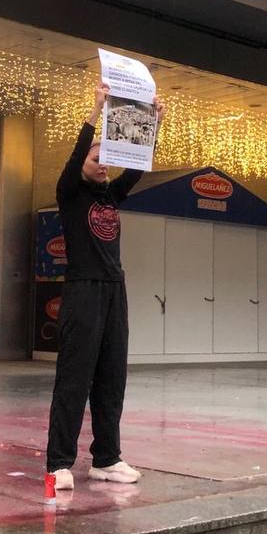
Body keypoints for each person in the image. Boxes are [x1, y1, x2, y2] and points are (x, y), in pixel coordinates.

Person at [45, 81, 164, 490]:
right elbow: (76, 157)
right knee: (74, 377)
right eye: (97, 158)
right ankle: (59, 463)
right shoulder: (70, 193)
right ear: (82, 163)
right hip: (83, 290)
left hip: (115, 289)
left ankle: (107, 458)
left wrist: (153, 125)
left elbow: (137, 167)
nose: (104, 164)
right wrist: (95, 111)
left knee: (112, 377)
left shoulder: (110, 195)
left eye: (107, 159)